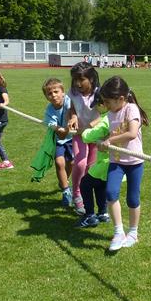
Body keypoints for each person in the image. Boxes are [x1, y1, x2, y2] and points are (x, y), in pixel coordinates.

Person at [97, 76, 149, 252]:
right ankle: (118, 232)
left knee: (132, 199)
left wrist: (110, 140)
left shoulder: (131, 109)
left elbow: (132, 133)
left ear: (120, 99)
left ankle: (133, 233)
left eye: (108, 101)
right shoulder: (111, 113)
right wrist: (104, 142)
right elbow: (113, 133)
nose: (106, 105)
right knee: (111, 193)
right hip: (116, 160)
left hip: (134, 161)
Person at [68, 62, 101, 215]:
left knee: (91, 167)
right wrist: (73, 117)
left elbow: (104, 115)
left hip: (96, 135)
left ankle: (88, 195)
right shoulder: (73, 92)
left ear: (91, 79)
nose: (77, 83)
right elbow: (72, 108)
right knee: (80, 163)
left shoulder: (99, 93)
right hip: (79, 135)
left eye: (81, 80)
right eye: (75, 79)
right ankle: (76, 194)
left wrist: (89, 128)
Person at [37, 77, 75, 206]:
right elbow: (59, 131)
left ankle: (64, 181)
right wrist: (62, 130)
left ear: (63, 92)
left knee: (72, 163)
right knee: (59, 163)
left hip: (73, 138)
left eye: (56, 92)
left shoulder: (69, 102)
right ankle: (65, 191)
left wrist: (71, 121)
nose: (53, 95)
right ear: (46, 96)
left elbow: (72, 112)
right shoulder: (49, 110)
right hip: (58, 139)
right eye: (49, 93)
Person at [74, 117, 111, 227]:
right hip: (111, 161)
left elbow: (91, 135)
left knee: (85, 183)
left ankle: (89, 216)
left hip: (105, 162)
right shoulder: (117, 114)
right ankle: (103, 213)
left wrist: (84, 132)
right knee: (100, 183)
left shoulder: (106, 117)